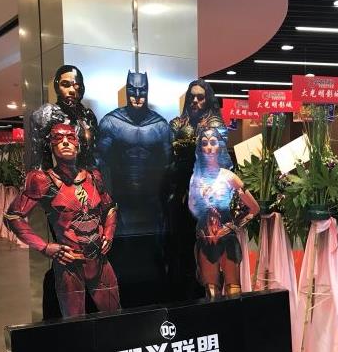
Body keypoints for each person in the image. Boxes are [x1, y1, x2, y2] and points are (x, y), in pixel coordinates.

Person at [4, 124, 120, 317]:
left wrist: (109, 232)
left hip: (100, 261)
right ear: (51, 146)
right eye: (58, 138)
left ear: (78, 144)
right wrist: (45, 247)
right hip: (69, 264)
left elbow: (110, 207)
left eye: (70, 137)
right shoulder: (42, 180)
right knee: (75, 324)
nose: (65, 142)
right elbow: (12, 216)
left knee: (115, 317)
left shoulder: (93, 176)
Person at [167, 80, 225, 299]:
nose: (195, 100)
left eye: (200, 97)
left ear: (207, 99)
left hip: (207, 191)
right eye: (192, 96)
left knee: (207, 245)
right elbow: (170, 155)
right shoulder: (177, 123)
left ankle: (207, 293)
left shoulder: (215, 123)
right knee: (179, 243)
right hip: (180, 188)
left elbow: (217, 158)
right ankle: (182, 292)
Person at [96, 71, 172, 236]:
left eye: (142, 89)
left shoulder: (160, 125)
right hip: (120, 197)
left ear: (147, 90)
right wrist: (104, 197)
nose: (137, 94)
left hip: (151, 199)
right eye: (132, 89)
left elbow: (168, 166)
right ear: (126, 90)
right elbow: (100, 163)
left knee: (153, 245)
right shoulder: (111, 122)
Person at [188, 128, 259, 299]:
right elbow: (192, 208)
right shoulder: (195, 179)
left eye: (213, 142)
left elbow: (254, 208)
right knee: (211, 291)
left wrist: (233, 226)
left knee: (233, 289)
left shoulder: (230, 177)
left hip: (227, 240)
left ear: (219, 145)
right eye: (204, 143)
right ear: (200, 148)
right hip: (205, 239)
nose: (209, 147)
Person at [29, 65, 98, 170]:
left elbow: (93, 157)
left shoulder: (88, 116)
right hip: (59, 178)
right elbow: (39, 162)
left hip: (87, 176)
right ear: (57, 87)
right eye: (65, 85)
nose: (72, 90)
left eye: (77, 86)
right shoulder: (46, 114)